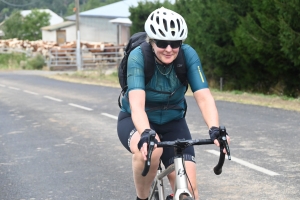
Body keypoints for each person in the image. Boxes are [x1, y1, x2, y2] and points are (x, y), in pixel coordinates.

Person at [117, 7, 230, 200]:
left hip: (173, 122)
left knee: (190, 194)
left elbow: (203, 96)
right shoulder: (138, 57)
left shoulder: (188, 56)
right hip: (136, 121)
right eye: (162, 42)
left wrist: (214, 128)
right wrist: (146, 133)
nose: (169, 49)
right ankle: (142, 198)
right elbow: (136, 105)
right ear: (151, 41)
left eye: (175, 43)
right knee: (153, 151)